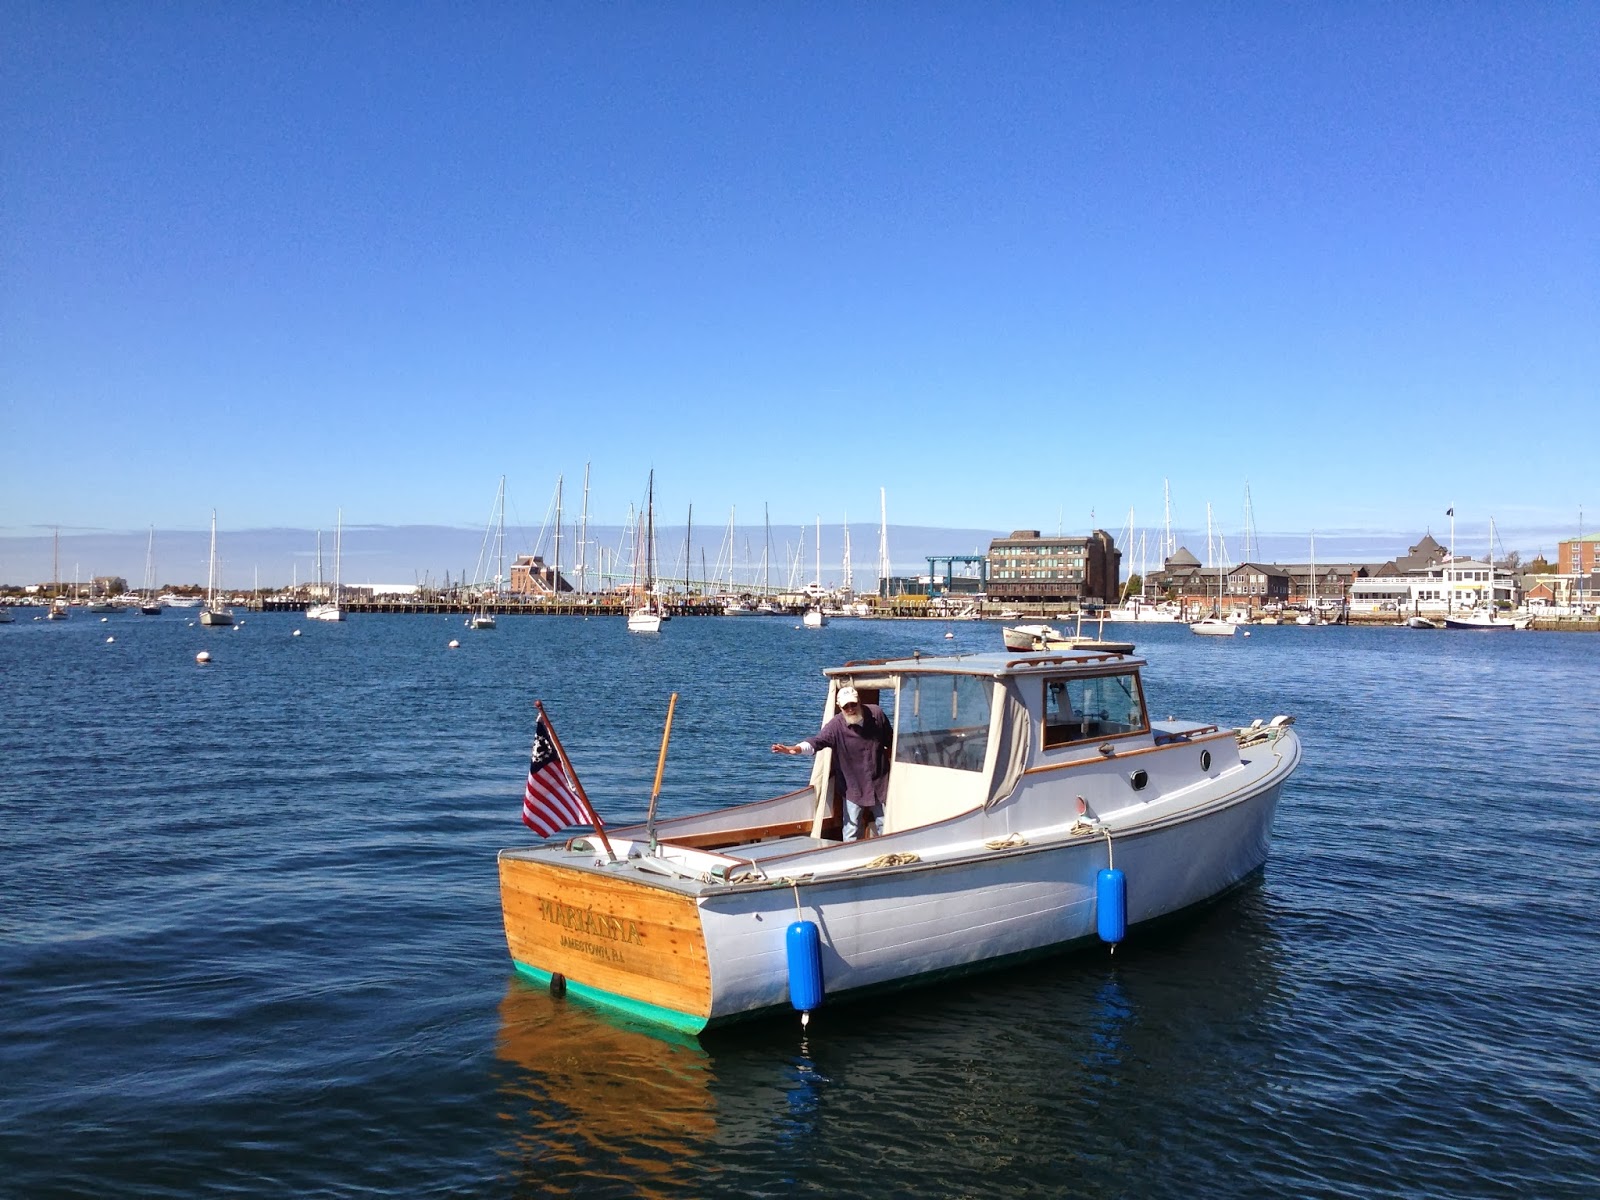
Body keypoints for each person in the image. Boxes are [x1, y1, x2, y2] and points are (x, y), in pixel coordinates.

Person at [771, 685, 893, 841]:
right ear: (839, 707)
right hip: (853, 787)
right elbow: (817, 741)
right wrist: (794, 749)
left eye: (853, 704)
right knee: (852, 828)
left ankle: (889, 853)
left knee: (885, 823)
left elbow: (891, 740)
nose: (850, 709)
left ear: (859, 702)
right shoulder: (836, 726)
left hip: (879, 782)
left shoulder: (876, 714)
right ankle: (850, 857)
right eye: (846, 706)